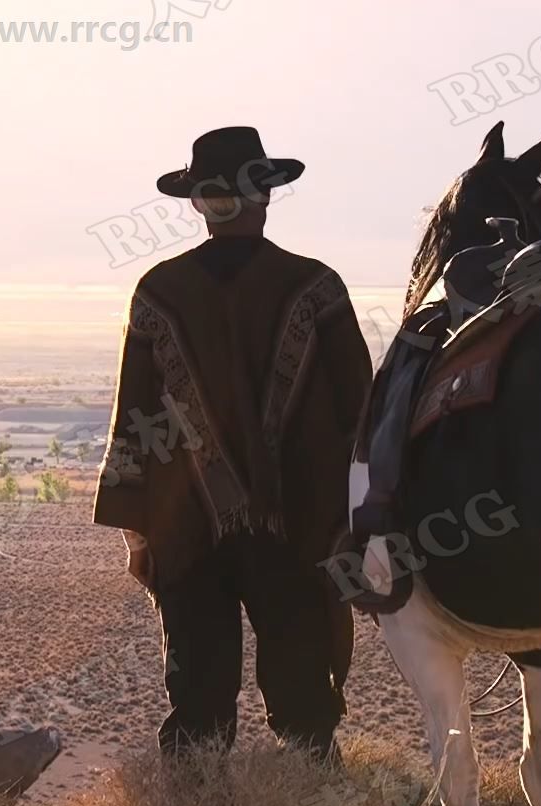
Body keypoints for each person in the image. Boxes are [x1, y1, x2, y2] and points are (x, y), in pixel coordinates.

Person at [94, 127, 372, 758]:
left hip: (185, 530)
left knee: (197, 707)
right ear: (266, 197)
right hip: (298, 531)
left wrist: (138, 533)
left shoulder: (158, 292)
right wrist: (356, 527)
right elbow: (362, 416)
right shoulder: (318, 288)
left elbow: (132, 415)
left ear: (199, 204)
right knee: (305, 705)